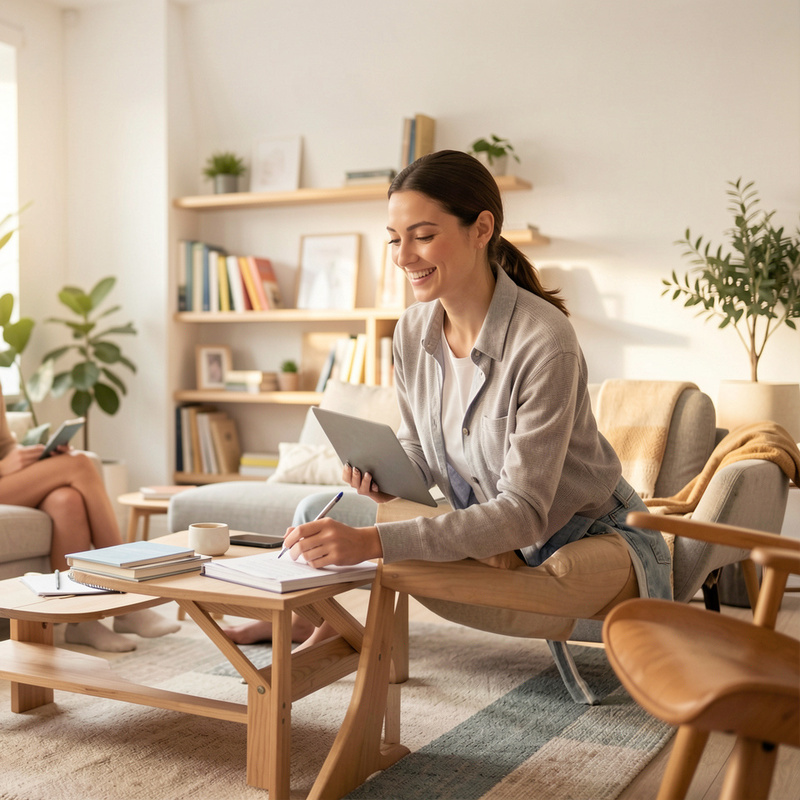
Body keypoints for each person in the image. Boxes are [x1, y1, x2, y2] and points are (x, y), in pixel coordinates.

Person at [226, 150, 670, 647]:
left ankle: (338, 624)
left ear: (482, 228)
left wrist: (373, 541)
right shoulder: (413, 330)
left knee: (371, 545)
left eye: (423, 236)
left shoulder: (545, 340)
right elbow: (419, 447)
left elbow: (523, 512)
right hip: (497, 533)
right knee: (316, 511)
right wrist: (385, 478)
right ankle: (313, 618)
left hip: (584, 537)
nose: (403, 256)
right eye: (395, 239)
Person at [0, 273, 179, 652]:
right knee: (79, 466)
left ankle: (82, 620)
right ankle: (127, 595)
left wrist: (31, 458)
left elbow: (2, 447)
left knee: (66, 500)